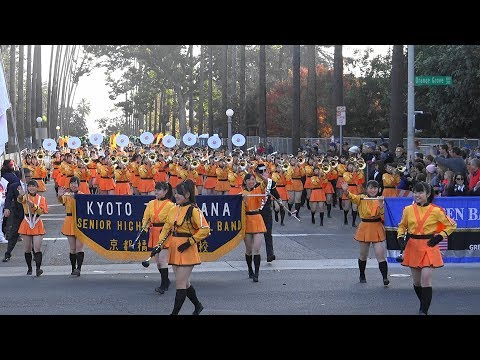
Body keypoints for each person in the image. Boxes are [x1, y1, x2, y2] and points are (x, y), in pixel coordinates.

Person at [396, 181, 457, 315]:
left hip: (429, 246)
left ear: (428, 194)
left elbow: (452, 225)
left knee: (426, 279)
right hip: (413, 246)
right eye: (415, 192)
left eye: (420, 192)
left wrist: (440, 237)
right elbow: (402, 226)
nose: (417, 195)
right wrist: (400, 237)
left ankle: (424, 310)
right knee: (417, 282)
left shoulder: (436, 210)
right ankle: (423, 303)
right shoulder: (408, 209)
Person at [153, 179, 210, 315]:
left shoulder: (194, 210)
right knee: (185, 283)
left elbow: (205, 229)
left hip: (187, 249)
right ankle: (198, 305)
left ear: (188, 195)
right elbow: (166, 228)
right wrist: (159, 245)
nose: (176, 195)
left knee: (180, 284)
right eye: (176, 193)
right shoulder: (174, 209)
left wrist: (190, 241)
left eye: (179, 193)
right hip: (175, 248)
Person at [342, 180, 389, 286]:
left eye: (375, 188)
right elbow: (351, 197)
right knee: (363, 255)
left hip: (377, 226)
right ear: (366, 189)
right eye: (371, 188)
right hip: (365, 227)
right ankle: (362, 274)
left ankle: (385, 278)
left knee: (380, 254)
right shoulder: (361, 198)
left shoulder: (381, 199)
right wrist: (345, 191)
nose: (373, 190)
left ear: (379, 189)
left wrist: (381, 205)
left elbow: (384, 217)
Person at [141, 181, 175, 294]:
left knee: (162, 260)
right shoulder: (151, 203)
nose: (156, 191)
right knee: (158, 262)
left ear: (165, 191)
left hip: (164, 233)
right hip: (154, 233)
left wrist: (166, 231)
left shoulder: (170, 205)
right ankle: (166, 280)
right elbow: (146, 218)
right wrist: (144, 228)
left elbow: (171, 221)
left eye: (159, 190)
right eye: (155, 189)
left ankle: (163, 285)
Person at [17, 179, 49, 276]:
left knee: (37, 248)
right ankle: (29, 268)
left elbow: (42, 211)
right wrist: (21, 194)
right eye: (30, 186)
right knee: (27, 248)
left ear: (37, 187)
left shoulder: (41, 199)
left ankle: (38, 268)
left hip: (37, 222)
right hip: (26, 222)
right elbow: (19, 199)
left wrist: (33, 205)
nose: (31, 188)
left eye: (33, 186)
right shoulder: (25, 197)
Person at [2, 168, 31, 262]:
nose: (30, 178)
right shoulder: (14, 186)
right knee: (14, 233)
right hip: (18, 213)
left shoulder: (32, 185)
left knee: (33, 233)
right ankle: (8, 253)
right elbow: (9, 198)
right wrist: (7, 208)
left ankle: (35, 253)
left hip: (30, 213)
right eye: (28, 176)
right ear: (23, 177)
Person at [58, 176, 85, 276]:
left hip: (80, 221)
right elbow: (61, 200)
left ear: (79, 185)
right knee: (72, 248)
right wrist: (60, 195)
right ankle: (73, 268)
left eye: (75, 183)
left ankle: (79, 268)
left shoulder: (82, 195)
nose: (73, 185)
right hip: (69, 221)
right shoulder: (67, 195)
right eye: (72, 183)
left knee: (79, 248)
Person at [255, 164, 281, 262]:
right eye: (261, 171)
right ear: (257, 173)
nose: (263, 173)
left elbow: (276, 195)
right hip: (255, 211)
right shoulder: (253, 182)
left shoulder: (270, 182)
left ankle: (270, 254)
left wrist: (278, 202)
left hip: (266, 210)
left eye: (265, 171)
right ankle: (253, 253)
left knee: (268, 233)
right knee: (255, 234)